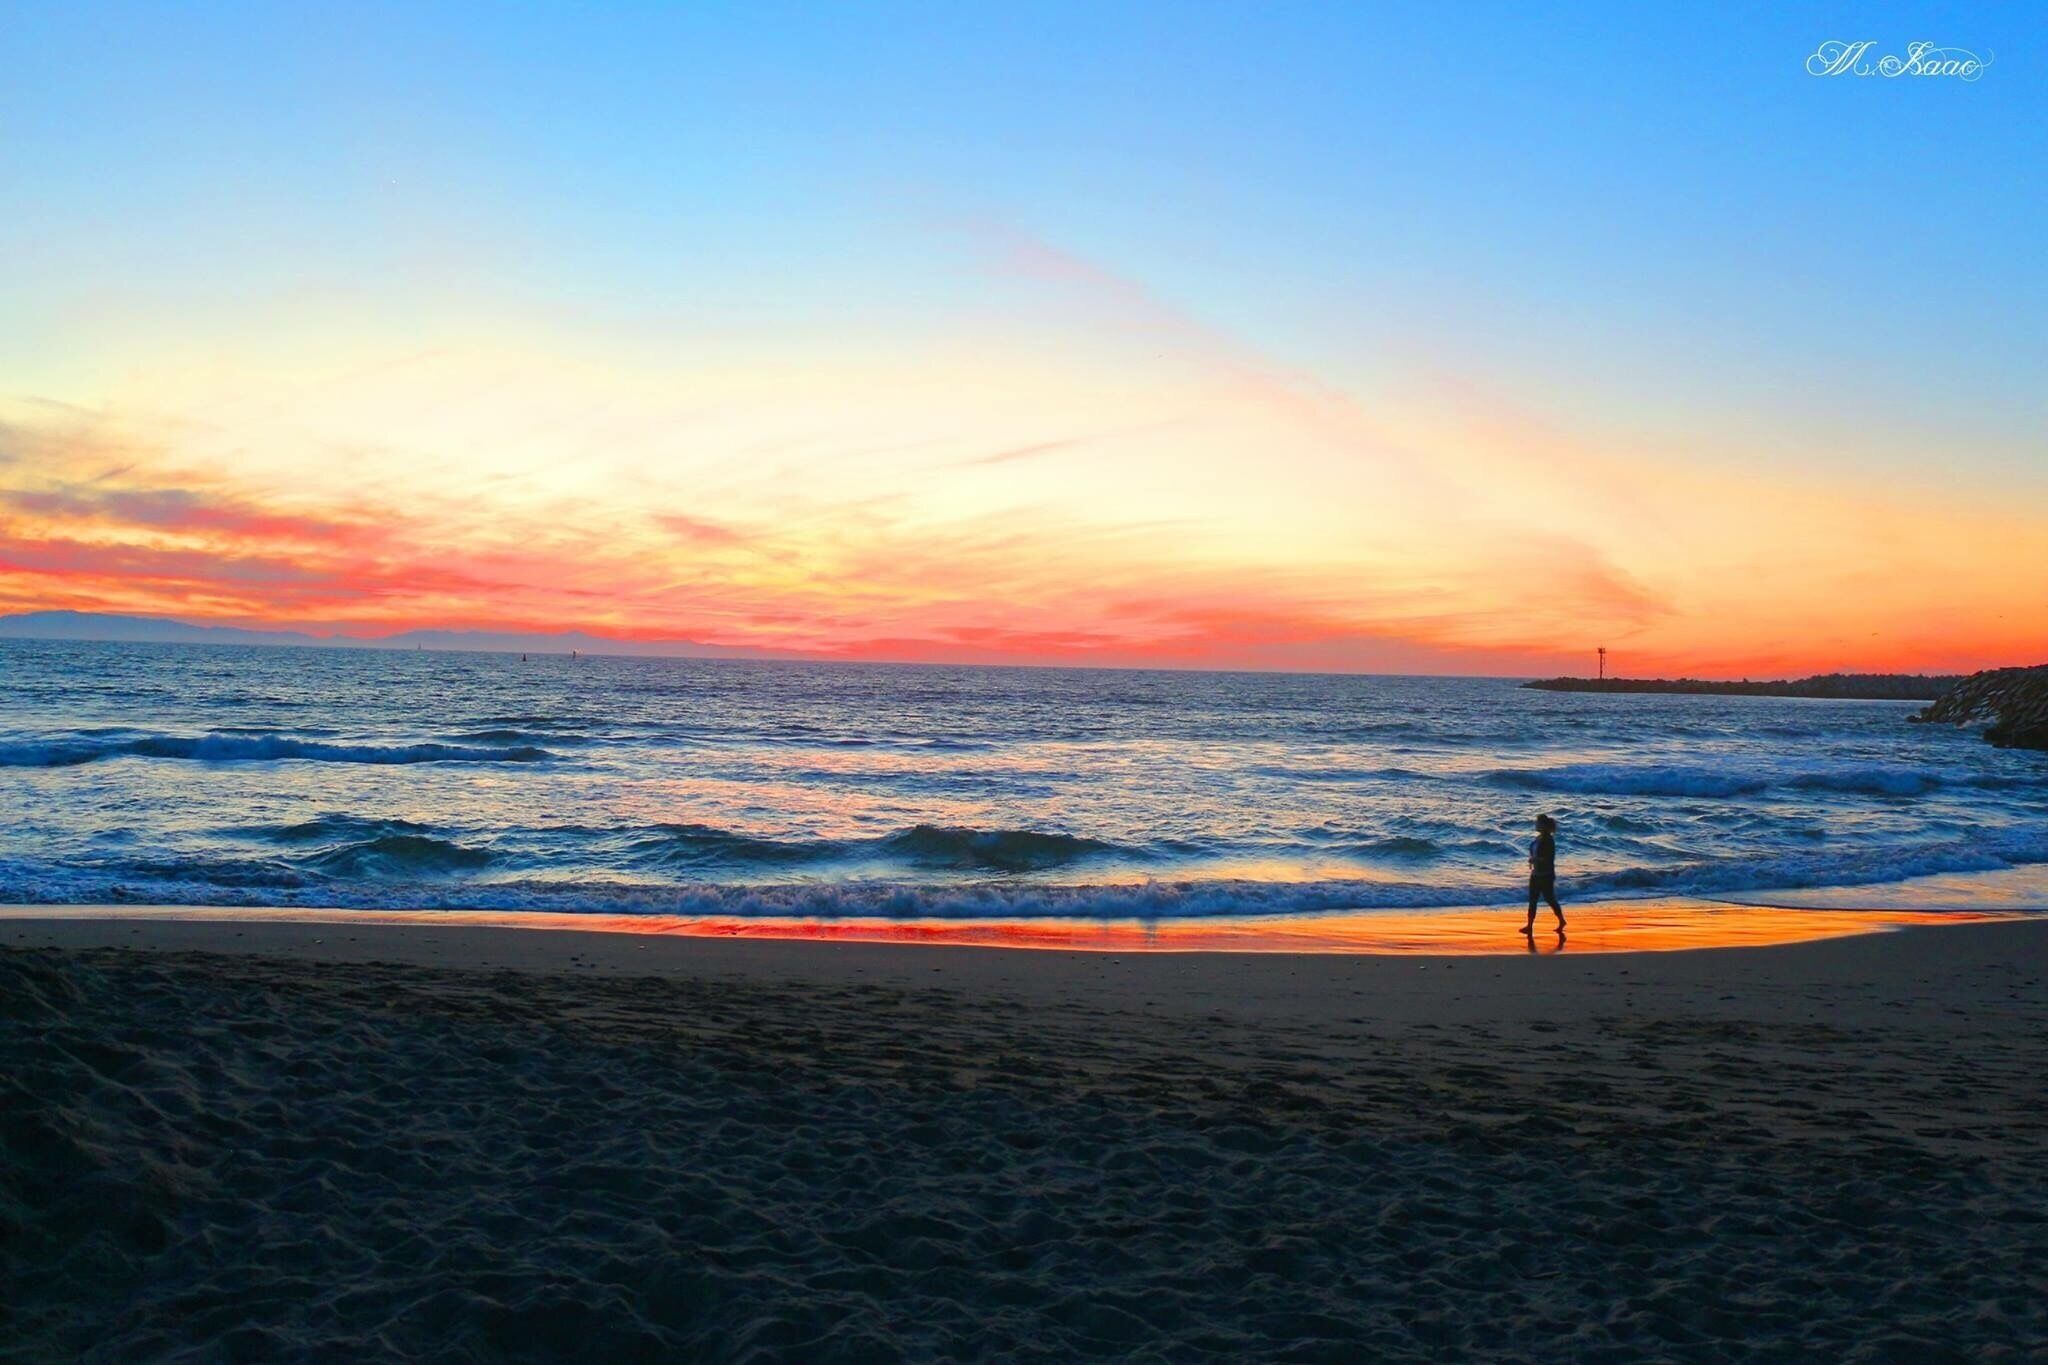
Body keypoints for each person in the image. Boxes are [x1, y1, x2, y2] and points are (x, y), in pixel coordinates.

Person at [1523, 813, 1564, 935]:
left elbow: (1549, 858)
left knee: (1550, 899)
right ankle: (1529, 926)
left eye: (1537, 823)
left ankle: (1561, 920)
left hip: (1546, 874)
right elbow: (1535, 853)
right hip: (1536, 873)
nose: (1535, 825)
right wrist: (1533, 859)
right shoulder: (1538, 838)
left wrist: (1536, 860)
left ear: (1543, 825)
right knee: (1532, 900)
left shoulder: (1548, 840)